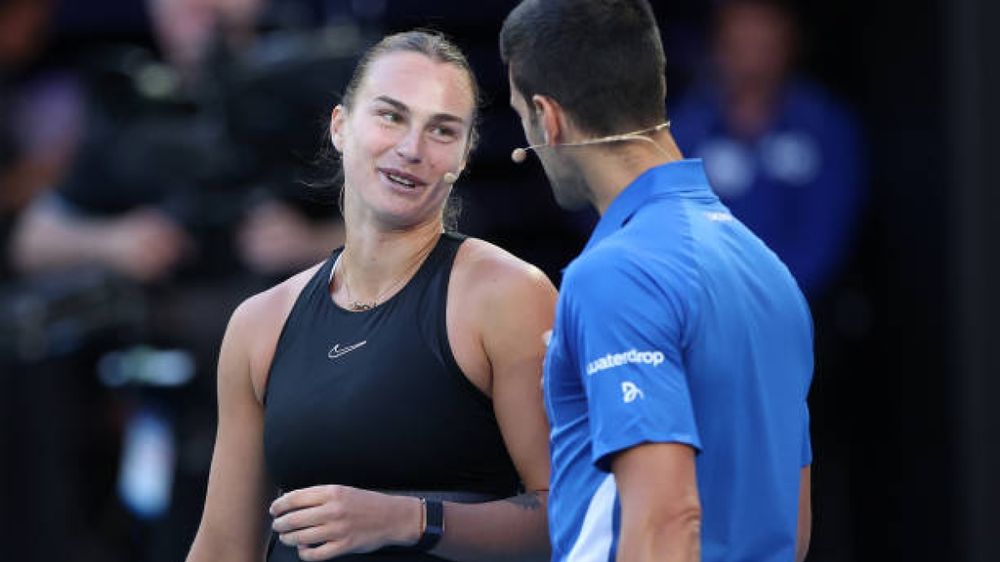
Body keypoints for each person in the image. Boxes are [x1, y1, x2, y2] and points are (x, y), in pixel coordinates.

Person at [186, 30, 555, 562]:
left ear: (464, 155)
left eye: (442, 130)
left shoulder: (507, 296)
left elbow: (570, 515)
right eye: (390, 116)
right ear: (340, 126)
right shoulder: (259, 323)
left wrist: (409, 519)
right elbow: (224, 546)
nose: (412, 149)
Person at [500, 1, 813, 561]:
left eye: (521, 116)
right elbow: (793, 525)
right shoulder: (768, 270)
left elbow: (666, 520)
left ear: (547, 117)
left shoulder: (613, 275)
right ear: (657, 86)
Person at [669, 0, 864, 300]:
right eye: (739, 41)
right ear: (718, 44)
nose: (752, 58)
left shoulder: (825, 127)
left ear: (790, 41)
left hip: (803, 308)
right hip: (703, 306)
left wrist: (769, 299)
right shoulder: (682, 130)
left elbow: (826, 233)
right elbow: (667, 229)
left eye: (764, 42)